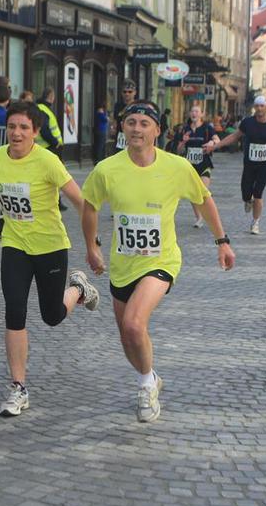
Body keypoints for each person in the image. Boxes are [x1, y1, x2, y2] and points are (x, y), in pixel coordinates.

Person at [81, 101, 235, 423]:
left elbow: (204, 201)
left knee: (134, 324)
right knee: (128, 337)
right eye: (131, 122)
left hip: (161, 261)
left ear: (157, 131)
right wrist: (92, 246)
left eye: (144, 123)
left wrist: (222, 242)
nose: (136, 129)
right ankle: (149, 376)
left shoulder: (177, 167)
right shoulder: (106, 169)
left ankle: (146, 385)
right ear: (122, 128)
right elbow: (90, 206)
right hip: (123, 264)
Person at [0, 101, 100, 417]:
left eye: (24, 127)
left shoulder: (48, 162)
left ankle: (78, 289)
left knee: (52, 315)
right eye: (12, 126)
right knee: (15, 310)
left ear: (35, 132)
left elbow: (82, 202)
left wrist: (92, 244)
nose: (17, 133)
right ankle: (18, 387)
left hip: (51, 247)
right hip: (15, 245)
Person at [204, 95, 266, 235]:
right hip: (249, 164)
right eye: (257, 106)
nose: (259, 108)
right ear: (254, 107)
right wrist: (216, 146)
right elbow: (234, 136)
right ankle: (248, 201)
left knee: (258, 194)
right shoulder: (247, 123)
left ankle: (255, 222)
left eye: (262, 106)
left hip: (264, 165)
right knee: (246, 194)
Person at [177, 104, 220, 228]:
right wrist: (183, 142)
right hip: (190, 166)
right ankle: (199, 217)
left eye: (196, 111)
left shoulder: (207, 128)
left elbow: (217, 140)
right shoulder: (185, 129)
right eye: (192, 111)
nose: (194, 113)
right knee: (193, 194)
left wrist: (212, 142)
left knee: (202, 191)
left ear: (202, 114)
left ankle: (207, 215)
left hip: (204, 164)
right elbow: (179, 150)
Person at [111, 80, 137, 154]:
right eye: (124, 92)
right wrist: (113, 128)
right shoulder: (118, 105)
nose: (127, 94)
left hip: (133, 134)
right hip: (121, 136)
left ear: (135, 92)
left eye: (130, 92)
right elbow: (115, 119)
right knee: (120, 155)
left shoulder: (137, 105)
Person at [93, 98, 109, 164]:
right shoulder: (100, 112)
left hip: (100, 130)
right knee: (101, 145)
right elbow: (105, 119)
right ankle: (99, 159)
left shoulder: (99, 112)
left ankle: (99, 158)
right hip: (101, 130)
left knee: (101, 145)